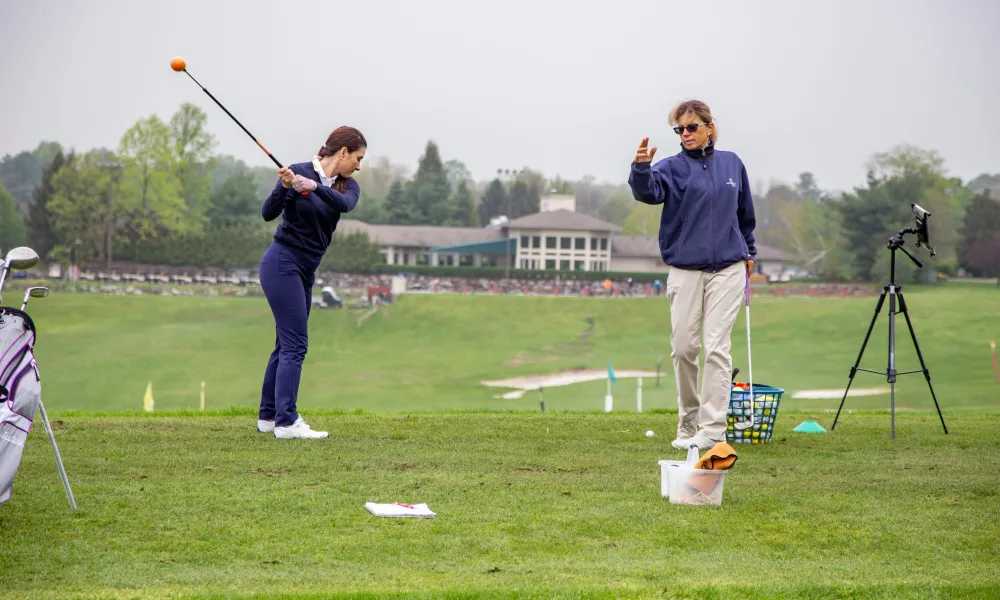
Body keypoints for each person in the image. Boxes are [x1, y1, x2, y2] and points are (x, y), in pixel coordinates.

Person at [627, 100, 756, 451]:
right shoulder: (671, 168)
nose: (685, 134)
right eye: (679, 129)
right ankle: (689, 418)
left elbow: (745, 214)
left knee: (716, 347)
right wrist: (641, 168)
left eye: (692, 127)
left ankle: (713, 429)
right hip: (685, 268)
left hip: (729, 267)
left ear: (709, 127)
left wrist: (750, 252)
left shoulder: (732, 164)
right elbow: (649, 192)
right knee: (684, 347)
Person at [256, 126, 366, 439]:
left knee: (285, 344)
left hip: (306, 269)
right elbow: (268, 213)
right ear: (343, 153)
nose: (359, 165)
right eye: (357, 157)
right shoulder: (298, 171)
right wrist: (285, 186)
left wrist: (312, 187)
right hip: (282, 263)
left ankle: (268, 416)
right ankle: (287, 422)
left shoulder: (348, 186)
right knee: (295, 345)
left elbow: (342, 205)